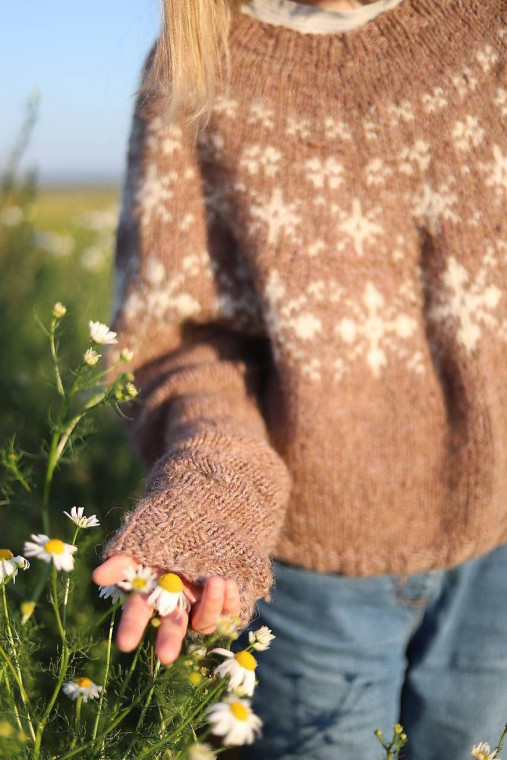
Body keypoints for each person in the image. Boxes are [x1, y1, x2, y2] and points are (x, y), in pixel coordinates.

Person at [92, 0, 507, 756]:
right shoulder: (195, 68)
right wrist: (213, 485)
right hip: (314, 575)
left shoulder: (487, 29)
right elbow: (174, 340)